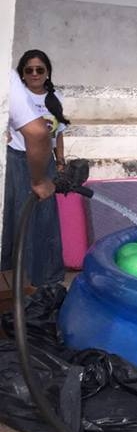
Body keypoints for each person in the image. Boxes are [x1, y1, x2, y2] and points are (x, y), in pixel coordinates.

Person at [1, 50, 65, 288]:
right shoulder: (14, 92)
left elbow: (56, 135)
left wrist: (60, 161)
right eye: (29, 70)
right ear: (22, 74)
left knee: (45, 219)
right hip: (17, 161)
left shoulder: (55, 97)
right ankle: (18, 274)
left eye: (40, 69)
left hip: (44, 162)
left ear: (48, 72)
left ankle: (47, 276)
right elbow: (33, 132)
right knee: (18, 217)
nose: (35, 74)